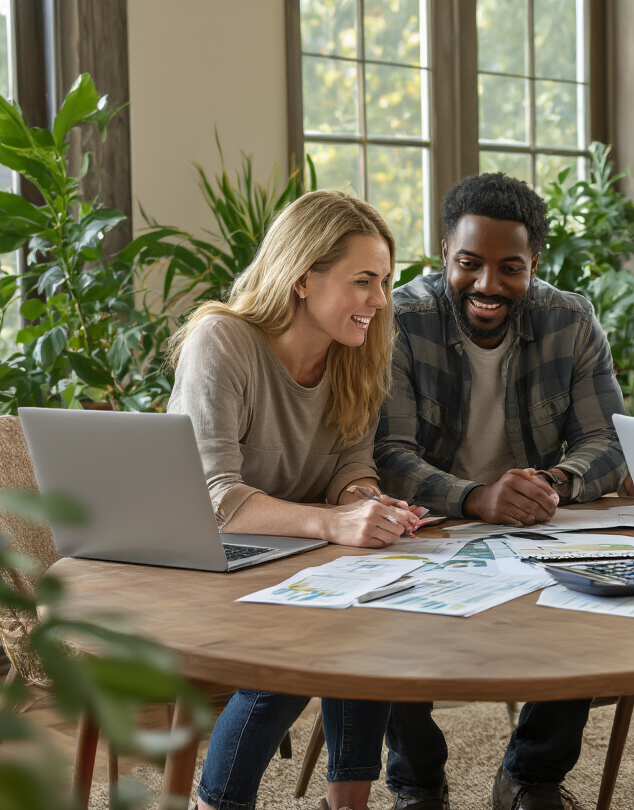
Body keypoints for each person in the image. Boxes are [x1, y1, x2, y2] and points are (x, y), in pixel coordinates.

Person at [374, 172, 629, 810]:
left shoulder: (569, 319)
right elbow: (385, 454)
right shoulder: (400, 320)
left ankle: (532, 777)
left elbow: (610, 441)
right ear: (443, 257)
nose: (488, 285)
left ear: (534, 264)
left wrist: (556, 482)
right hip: (427, 521)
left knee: (589, 598)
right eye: (470, 264)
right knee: (380, 606)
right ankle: (417, 780)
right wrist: (475, 498)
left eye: (510, 267)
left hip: (536, 525)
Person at [167, 190, 419, 810]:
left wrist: (367, 505)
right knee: (298, 648)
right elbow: (214, 497)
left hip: (294, 559)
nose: (379, 301)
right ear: (304, 278)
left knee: (373, 604)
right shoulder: (222, 341)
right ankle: (218, 804)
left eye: (384, 281)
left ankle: (348, 800)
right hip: (203, 563)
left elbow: (351, 466)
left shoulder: (357, 355)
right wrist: (335, 523)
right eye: (364, 281)